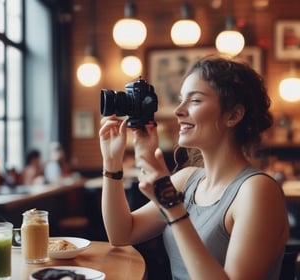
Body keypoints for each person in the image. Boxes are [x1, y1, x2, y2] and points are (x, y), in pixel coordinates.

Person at [99, 55, 290, 279]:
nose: (178, 111)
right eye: (181, 100)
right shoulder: (188, 180)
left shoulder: (257, 191)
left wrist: (172, 207)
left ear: (234, 115)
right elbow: (122, 232)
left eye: (195, 100)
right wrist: (112, 163)